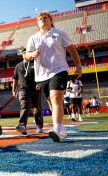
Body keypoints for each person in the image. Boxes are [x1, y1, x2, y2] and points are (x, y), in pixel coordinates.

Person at [25, 11, 82, 143]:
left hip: (59, 70)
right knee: (52, 102)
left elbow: (72, 49)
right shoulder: (33, 38)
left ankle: (57, 129)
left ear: (50, 20)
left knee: (56, 98)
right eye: (40, 18)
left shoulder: (60, 33)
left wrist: (78, 66)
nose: (43, 20)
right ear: (37, 22)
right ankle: (61, 128)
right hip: (42, 75)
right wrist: (32, 54)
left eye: (45, 18)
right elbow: (26, 56)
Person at [12, 48, 43, 135]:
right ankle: (22, 125)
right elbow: (15, 79)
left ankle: (39, 126)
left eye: (27, 52)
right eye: (24, 53)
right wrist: (13, 90)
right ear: (22, 55)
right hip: (23, 89)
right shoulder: (18, 66)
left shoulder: (36, 64)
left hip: (35, 88)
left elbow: (41, 74)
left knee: (36, 108)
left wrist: (39, 83)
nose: (25, 54)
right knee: (24, 106)